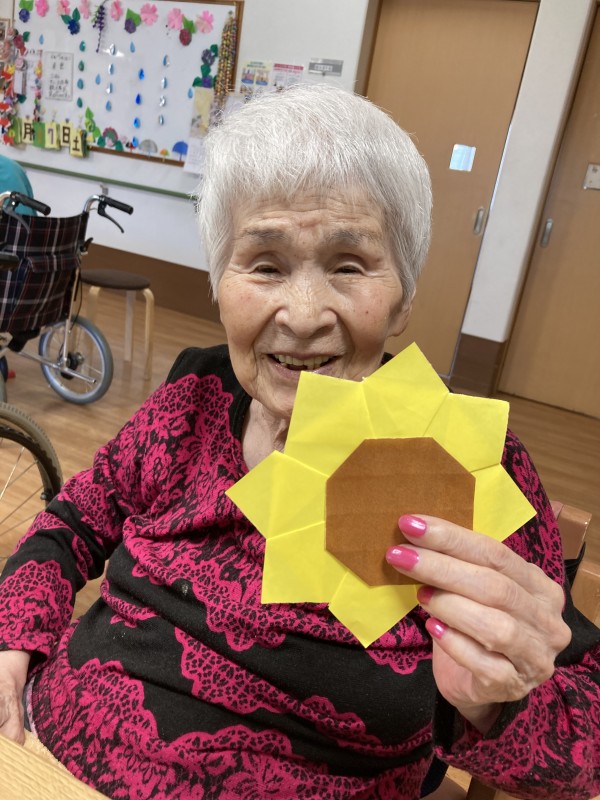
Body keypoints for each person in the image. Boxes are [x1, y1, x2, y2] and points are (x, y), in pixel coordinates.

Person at [0, 85, 598, 800]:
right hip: (39, 757)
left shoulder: (469, 467)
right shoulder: (194, 400)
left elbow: (585, 732)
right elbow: (73, 521)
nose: (305, 315)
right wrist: (14, 633)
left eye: (349, 265)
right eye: (265, 264)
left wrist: (493, 705)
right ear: (221, 284)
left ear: (403, 298)